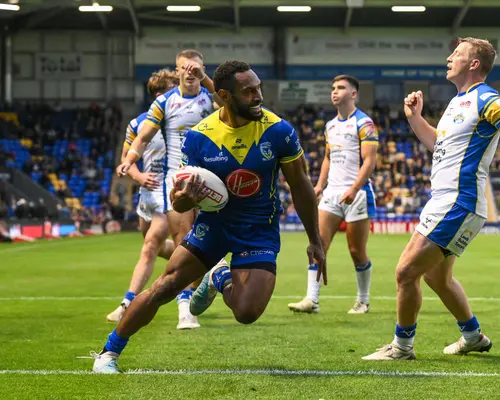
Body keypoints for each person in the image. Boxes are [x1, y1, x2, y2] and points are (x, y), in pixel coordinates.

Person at [363, 37, 500, 361]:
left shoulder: (488, 99)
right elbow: (438, 146)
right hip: (444, 199)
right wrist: (414, 117)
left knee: (405, 272)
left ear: (473, 64)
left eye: (457, 54)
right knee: (436, 277)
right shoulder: (457, 102)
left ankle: (402, 347)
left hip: (458, 201)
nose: (448, 57)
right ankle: (472, 336)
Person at [92, 60, 326, 374]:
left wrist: (315, 240)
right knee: (165, 286)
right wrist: (183, 200)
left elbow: (300, 185)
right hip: (213, 227)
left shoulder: (278, 131)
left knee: (246, 313)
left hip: (258, 231)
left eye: (258, 89)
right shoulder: (199, 137)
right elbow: (178, 201)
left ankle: (220, 277)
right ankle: (108, 353)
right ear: (225, 97)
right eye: (249, 92)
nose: (258, 97)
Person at [116, 50, 222, 329]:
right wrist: (129, 160)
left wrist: (207, 80)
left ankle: (208, 281)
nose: (189, 72)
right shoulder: (165, 102)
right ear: (176, 71)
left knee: (211, 243)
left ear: (202, 69)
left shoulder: (211, 99)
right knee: (184, 241)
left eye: (195, 68)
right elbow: (143, 136)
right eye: (184, 68)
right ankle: (185, 309)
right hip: (178, 179)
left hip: (213, 176)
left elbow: (232, 106)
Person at [287, 75, 378, 314]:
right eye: (333, 88)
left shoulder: (364, 123)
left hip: (356, 193)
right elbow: (328, 158)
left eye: (341, 88)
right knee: (318, 245)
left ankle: (363, 300)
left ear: (353, 94)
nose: (334, 92)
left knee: (356, 251)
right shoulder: (330, 126)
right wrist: (318, 186)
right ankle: (311, 300)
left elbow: (369, 161)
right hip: (332, 194)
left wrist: (354, 189)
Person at [106, 69, 180, 324]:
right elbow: (127, 159)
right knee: (157, 247)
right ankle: (204, 264)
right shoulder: (138, 124)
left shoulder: (180, 121)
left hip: (168, 193)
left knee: (149, 247)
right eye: (173, 89)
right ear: (159, 94)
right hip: (146, 195)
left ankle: (127, 304)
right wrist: (138, 177)